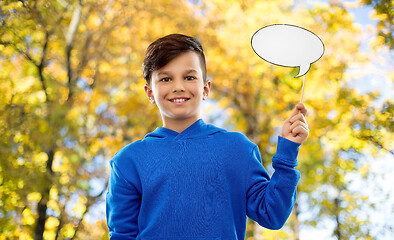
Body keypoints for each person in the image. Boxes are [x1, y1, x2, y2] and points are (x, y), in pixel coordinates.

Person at [106, 34, 309, 240]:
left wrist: (287, 154)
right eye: (166, 79)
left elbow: (272, 214)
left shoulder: (237, 149)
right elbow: (122, 234)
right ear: (150, 92)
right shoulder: (127, 161)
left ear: (205, 88)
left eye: (189, 77)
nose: (178, 86)